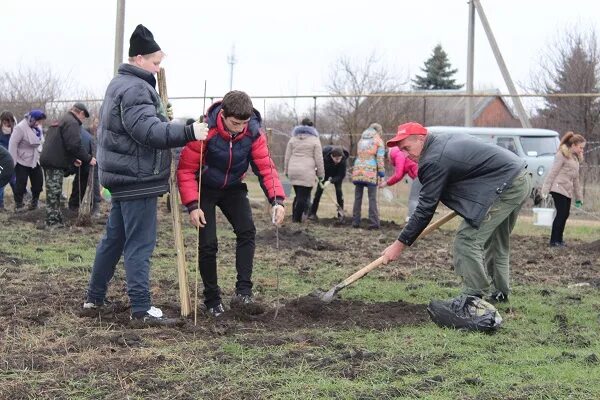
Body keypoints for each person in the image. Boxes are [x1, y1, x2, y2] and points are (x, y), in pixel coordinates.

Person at [83, 24, 209, 324]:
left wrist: (165, 116)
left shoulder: (121, 83)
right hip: (137, 178)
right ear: (138, 58)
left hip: (123, 176)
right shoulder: (136, 88)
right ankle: (141, 309)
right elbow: (147, 132)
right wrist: (189, 131)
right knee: (140, 243)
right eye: (155, 62)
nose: (158, 68)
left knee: (114, 239)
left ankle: (94, 298)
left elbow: (147, 122)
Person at [381, 122, 531, 303]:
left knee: (467, 240)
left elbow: (425, 209)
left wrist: (398, 245)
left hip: (506, 185)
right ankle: (500, 293)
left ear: (421, 139)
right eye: (401, 151)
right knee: (497, 241)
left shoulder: (433, 159)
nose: (405, 155)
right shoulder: (440, 141)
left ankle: (473, 295)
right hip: (516, 178)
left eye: (407, 148)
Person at [177, 90, 286, 317]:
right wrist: (192, 205)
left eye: (244, 123)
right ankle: (212, 299)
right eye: (235, 123)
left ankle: (243, 292)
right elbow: (186, 170)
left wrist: (277, 200)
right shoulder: (205, 131)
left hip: (233, 187)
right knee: (208, 243)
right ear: (224, 115)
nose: (240, 128)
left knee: (247, 231)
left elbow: (266, 167)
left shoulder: (253, 133)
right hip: (204, 188)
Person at [40, 103, 96, 227]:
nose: (83, 120)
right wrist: (88, 158)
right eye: (84, 117)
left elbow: (62, 143)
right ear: (80, 113)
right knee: (54, 193)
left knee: (55, 191)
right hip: (54, 162)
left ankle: (56, 218)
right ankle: (52, 222)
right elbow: (74, 145)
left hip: (50, 159)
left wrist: (73, 159)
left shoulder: (62, 119)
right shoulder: (72, 122)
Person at [541, 131, 585, 247]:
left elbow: (576, 180)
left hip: (567, 191)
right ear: (574, 145)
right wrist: (545, 189)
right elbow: (552, 172)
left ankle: (559, 240)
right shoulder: (561, 155)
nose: (582, 150)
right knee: (561, 214)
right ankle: (554, 241)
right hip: (558, 188)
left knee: (565, 214)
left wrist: (579, 197)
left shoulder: (575, 159)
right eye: (580, 147)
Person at [284, 118, 324, 223]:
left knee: (298, 195)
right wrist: (321, 174)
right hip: (307, 171)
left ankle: (295, 216)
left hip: (293, 169)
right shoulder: (315, 140)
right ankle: (296, 220)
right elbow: (319, 159)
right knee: (303, 197)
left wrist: (286, 171)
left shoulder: (293, 139)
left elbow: (287, 156)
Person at [8, 109, 46, 212]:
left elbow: (40, 142)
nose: (39, 123)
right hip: (22, 160)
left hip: (35, 159)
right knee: (21, 183)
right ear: (32, 119)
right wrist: (13, 162)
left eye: (40, 121)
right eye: (38, 121)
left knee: (38, 182)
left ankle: (34, 203)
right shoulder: (20, 128)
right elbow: (13, 144)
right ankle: (19, 205)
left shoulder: (37, 127)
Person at [351, 122, 385, 229]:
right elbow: (380, 159)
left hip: (357, 170)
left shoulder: (361, 140)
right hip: (370, 172)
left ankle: (355, 222)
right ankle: (373, 223)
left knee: (357, 198)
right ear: (379, 131)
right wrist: (381, 173)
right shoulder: (378, 141)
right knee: (372, 198)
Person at [378, 143, 419, 222]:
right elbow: (400, 175)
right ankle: (416, 220)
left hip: (419, 175)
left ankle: (411, 220)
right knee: (419, 199)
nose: (389, 162)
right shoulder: (400, 153)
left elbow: (398, 175)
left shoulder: (398, 154)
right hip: (420, 175)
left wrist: (386, 183)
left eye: (387, 160)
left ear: (388, 157)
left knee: (413, 199)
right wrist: (386, 183)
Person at [308, 145, 349, 220]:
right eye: (336, 159)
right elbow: (317, 164)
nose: (338, 160)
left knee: (339, 192)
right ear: (331, 156)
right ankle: (312, 213)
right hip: (325, 173)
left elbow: (341, 175)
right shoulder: (324, 156)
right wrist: (318, 174)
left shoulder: (343, 159)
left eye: (339, 158)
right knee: (318, 193)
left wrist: (331, 181)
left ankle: (340, 215)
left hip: (337, 174)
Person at [67, 124, 99, 214]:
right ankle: (74, 205)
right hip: (85, 160)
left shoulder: (82, 136)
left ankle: (94, 207)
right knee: (79, 181)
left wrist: (69, 170)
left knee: (92, 182)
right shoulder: (78, 133)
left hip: (91, 160)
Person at [0, 111, 17, 211]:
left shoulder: (15, 132)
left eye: (8, 122)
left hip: (12, 162)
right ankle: (0, 205)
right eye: (4, 122)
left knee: (15, 182)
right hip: (1, 161)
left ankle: (19, 203)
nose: (6, 124)